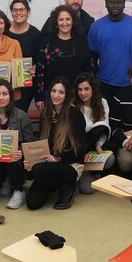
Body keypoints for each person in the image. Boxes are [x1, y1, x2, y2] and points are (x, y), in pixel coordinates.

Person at [24, 77, 86, 210]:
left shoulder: (74, 114)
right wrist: (32, 159)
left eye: (61, 92)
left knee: (38, 169)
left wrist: (58, 158)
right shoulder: (46, 114)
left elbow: (80, 149)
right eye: (53, 91)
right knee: (32, 203)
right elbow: (42, 144)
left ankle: (68, 188)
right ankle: (55, 184)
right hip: (49, 165)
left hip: (70, 165)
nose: (56, 95)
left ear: (67, 95)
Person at [87, 0, 132, 106]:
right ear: (106, 4)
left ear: (124, 4)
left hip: (131, 82)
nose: (115, 5)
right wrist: (95, 80)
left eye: (118, 2)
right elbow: (92, 58)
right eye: (111, 2)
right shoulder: (96, 27)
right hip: (104, 83)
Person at [0, 79, 35, 209]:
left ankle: (19, 190)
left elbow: (30, 143)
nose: (1, 98)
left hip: (16, 162)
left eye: (5, 94)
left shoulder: (21, 116)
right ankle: (5, 180)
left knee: (11, 159)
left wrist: (21, 152)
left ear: (10, 96)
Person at [35, 5, 94, 111]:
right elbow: (39, 70)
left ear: (73, 21)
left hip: (76, 97)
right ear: (56, 23)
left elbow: (89, 69)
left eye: (68, 19)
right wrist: (39, 97)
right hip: (52, 96)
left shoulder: (81, 42)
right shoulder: (46, 42)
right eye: (61, 19)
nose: (64, 23)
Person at [73, 73, 115, 194]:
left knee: (110, 159)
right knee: (88, 189)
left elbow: (105, 127)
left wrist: (99, 144)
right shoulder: (73, 105)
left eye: (86, 89)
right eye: (80, 89)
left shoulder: (102, 103)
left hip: (94, 145)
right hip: (78, 148)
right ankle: (82, 173)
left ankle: (92, 172)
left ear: (93, 89)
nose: (83, 93)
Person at [6, 0, 42, 111]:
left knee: (19, 115)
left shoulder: (36, 34)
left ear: (28, 12)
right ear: (11, 12)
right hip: (4, 81)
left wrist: (36, 67)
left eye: (22, 9)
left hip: (25, 86)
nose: (18, 13)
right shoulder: (3, 30)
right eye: (15, 10)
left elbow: (39, 59)